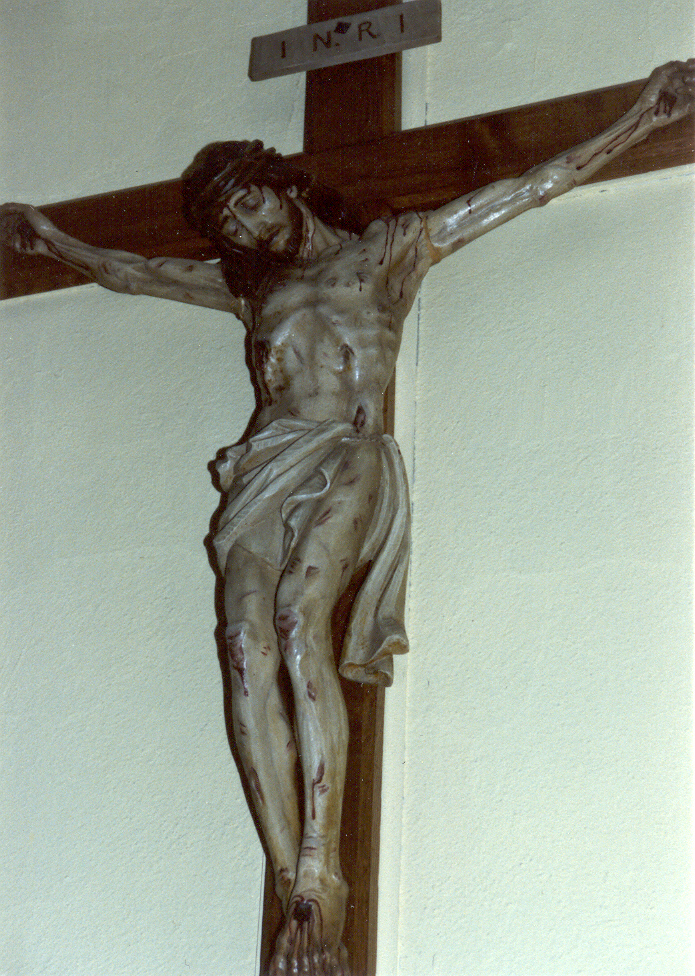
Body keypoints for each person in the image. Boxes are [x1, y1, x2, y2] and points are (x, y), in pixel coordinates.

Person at [1, 59, 692, 976]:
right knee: (242, 643)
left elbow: (531, 186)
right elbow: (134, 274)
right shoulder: (249, 290)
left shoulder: (390, 249)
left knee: (298, 620)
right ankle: (292, 877)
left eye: (250, 202)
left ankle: (322, 865)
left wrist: (643, 116)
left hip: (349, 452)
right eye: (228, 223)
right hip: (265, 465)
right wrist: (51, 237)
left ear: (282, 182)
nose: (248, 227)